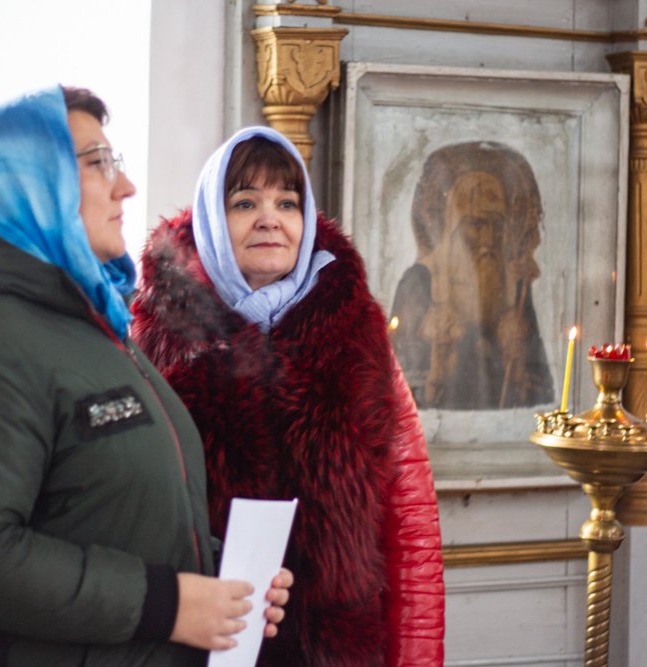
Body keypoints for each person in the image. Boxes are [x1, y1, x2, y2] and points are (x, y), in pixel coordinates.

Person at [0, 86, 291, 667]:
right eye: (99, 163)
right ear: (28, 181)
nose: (126, 187)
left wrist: (220, 581)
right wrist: (168, 604)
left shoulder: (88, 323)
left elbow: (100, 510)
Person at [131, 127, 445, 666]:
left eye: (287, 202)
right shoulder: (155, 343)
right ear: (211, 220)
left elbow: (410, 523)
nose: (269, 219)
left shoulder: (357, 338)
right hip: (194, 645)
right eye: (245, 202)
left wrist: (417, 660)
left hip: (337, 651)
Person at [390, 141, 553, 410]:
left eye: (496, 226)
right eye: (476, 225)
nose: (488, 240)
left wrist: (518, 362)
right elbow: (400, 384)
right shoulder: (419, 282)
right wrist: (438, 363)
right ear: (452, 225)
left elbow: (540, 390)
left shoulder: (515, 285)